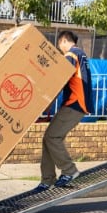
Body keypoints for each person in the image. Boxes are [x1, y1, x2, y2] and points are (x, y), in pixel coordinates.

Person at [36, 30, 93, 191]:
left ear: (63, 41)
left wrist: (46, 100)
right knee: (48, 138)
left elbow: (58, 78)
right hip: (76, 104)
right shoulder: (81, 55)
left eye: (59, 45)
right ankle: (47, 180)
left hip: (74, 104)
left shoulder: (71, 55)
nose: (60, 49)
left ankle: (69, 170)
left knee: (52, 137)